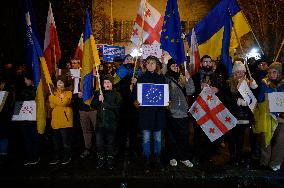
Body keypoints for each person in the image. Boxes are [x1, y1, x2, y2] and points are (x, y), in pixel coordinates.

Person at [133, 55, 167, 173]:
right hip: (146, 114)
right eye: (148, 63)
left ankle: (157, 159)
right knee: (146, 139)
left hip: (158, 114)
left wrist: (168, 102)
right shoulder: (141, 78)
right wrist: (135, 102)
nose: (150, 65)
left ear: (156, 65)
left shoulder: (162, 78)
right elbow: (135, 95)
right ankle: (147, 160)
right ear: (145, 65)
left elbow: (166, 95)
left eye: (153, 63)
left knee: (158, 139)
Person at [191, 55, 225, 165]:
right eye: (205, 62)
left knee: (209, 133)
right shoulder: (195, 76)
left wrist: (217, 89)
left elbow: (223, 90)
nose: (207, 64)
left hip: (212, 110)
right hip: (199, 110)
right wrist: (198, 88)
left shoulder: (216, 76)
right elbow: (190, 92)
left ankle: (208, 155)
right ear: (201, 64)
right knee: (197, 134)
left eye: (209, 62)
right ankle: (196, 155)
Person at [223, 60, 258, 167]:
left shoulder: (248, 83)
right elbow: (225, 98)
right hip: (231, 115)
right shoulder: (228, 83)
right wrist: (236, 101)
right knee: (231, 137)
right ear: (234, 73)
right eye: (238, 72)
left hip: (243, 116)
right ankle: (232, 157)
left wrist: (254, 88)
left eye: (242, 72)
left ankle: (239, 156)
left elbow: (254, 99)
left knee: (241, 137)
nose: (240, 74)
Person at [165, 58, 195, 168]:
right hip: (171, 112)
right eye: (173, 66)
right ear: (169, 67)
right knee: (171, 137)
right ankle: (172, 157)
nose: (175, 67)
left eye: (177, 66)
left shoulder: (182, 78)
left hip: (183, 112)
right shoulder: (166, 79)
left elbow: (190, 91)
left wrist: (189, 79)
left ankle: (184, 157)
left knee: (184, 136)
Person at [254, 62, 284, 171]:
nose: (271, 74)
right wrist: (265, 89)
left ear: (279, 73)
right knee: (265, 140)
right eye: (269, 72)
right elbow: (260, 99)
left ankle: (275, 163)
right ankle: (264, 162)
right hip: (267, 116)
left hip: (281, 118)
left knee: (280, 141)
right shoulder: (265, 83)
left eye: (274, 72)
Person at [113, 54, 141, 161]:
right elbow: (115, 86)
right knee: (122, 129)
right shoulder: (119, 73)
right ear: (124, 62)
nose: (129, 60)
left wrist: (136, 82)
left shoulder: (137, 73)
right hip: (123, 106)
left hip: (134, 106)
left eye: (131, 59)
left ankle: (133, 149)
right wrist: (126, 83)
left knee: (133, 129)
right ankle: (120, 148)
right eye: (127, 59)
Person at [91, 75, 121, 170]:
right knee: (99, 144)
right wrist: (98, 100)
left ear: (112, 83)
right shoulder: (99, 93)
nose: (107, 84)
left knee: (110, 144)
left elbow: (119, 108)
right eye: (105, 82)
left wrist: (107, 105)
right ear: (102, 84)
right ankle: (101, 159)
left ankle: (110, 160)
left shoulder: (117, 94)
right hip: (100, 124)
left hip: (111, 124)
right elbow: (93, 105)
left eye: (109, 82)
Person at [48, 76, 73, 165]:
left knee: (66, 141)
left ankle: (67, 156)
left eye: (61, 82)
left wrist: (53, 98)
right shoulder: (53, 93)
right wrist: (58, 99)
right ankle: (57, 156)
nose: (59, 84)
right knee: (56, 142)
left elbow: (64, 103)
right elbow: (52, 106)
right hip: (55, 121)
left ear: (64, 83)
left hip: (65, 121)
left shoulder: (69, 92)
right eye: (58, 82)